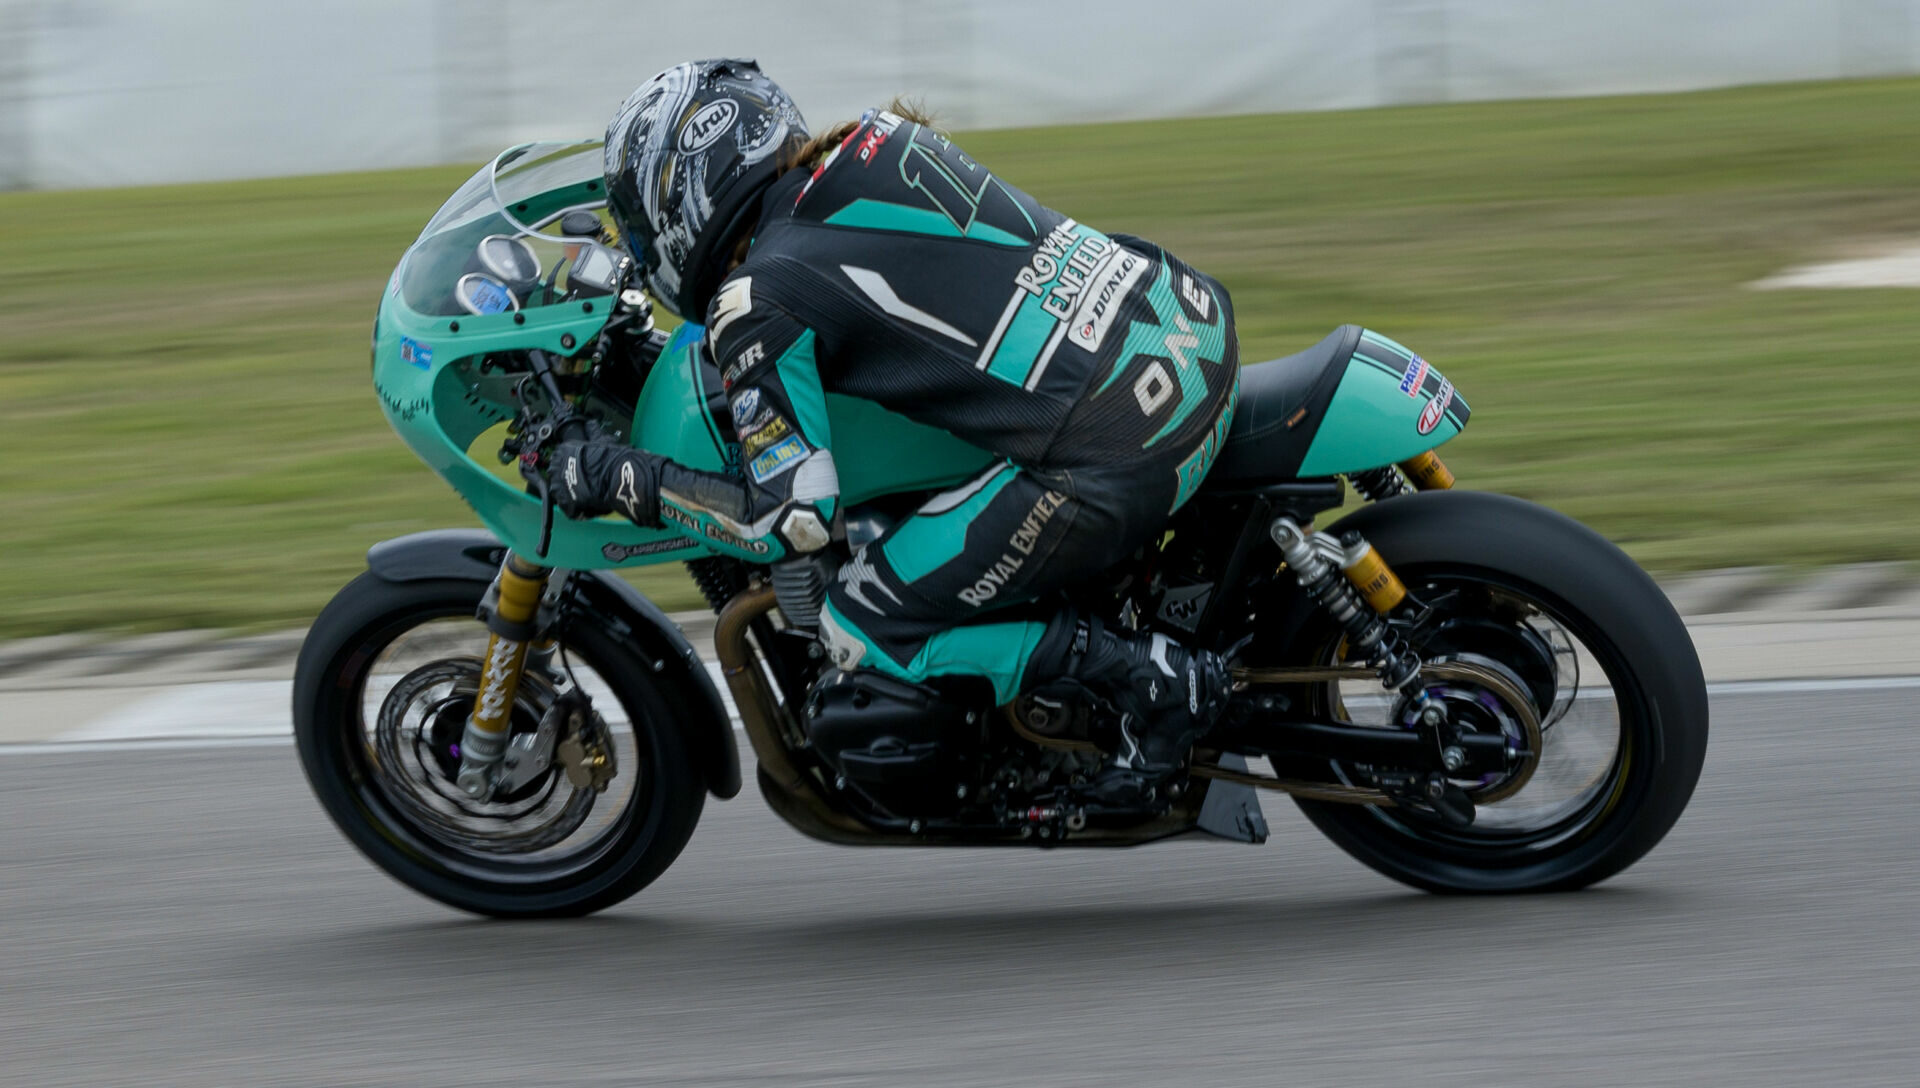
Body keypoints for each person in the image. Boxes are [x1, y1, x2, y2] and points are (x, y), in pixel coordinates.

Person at [541, 58, 1240, 804]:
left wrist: (614, 476)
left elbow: (789, 523)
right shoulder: (878, 140)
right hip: (1185, 327)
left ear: (684, 203)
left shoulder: (757, 297)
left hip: (1117, 439)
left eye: (642, 224)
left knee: (859, 619)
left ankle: (1155, 679)